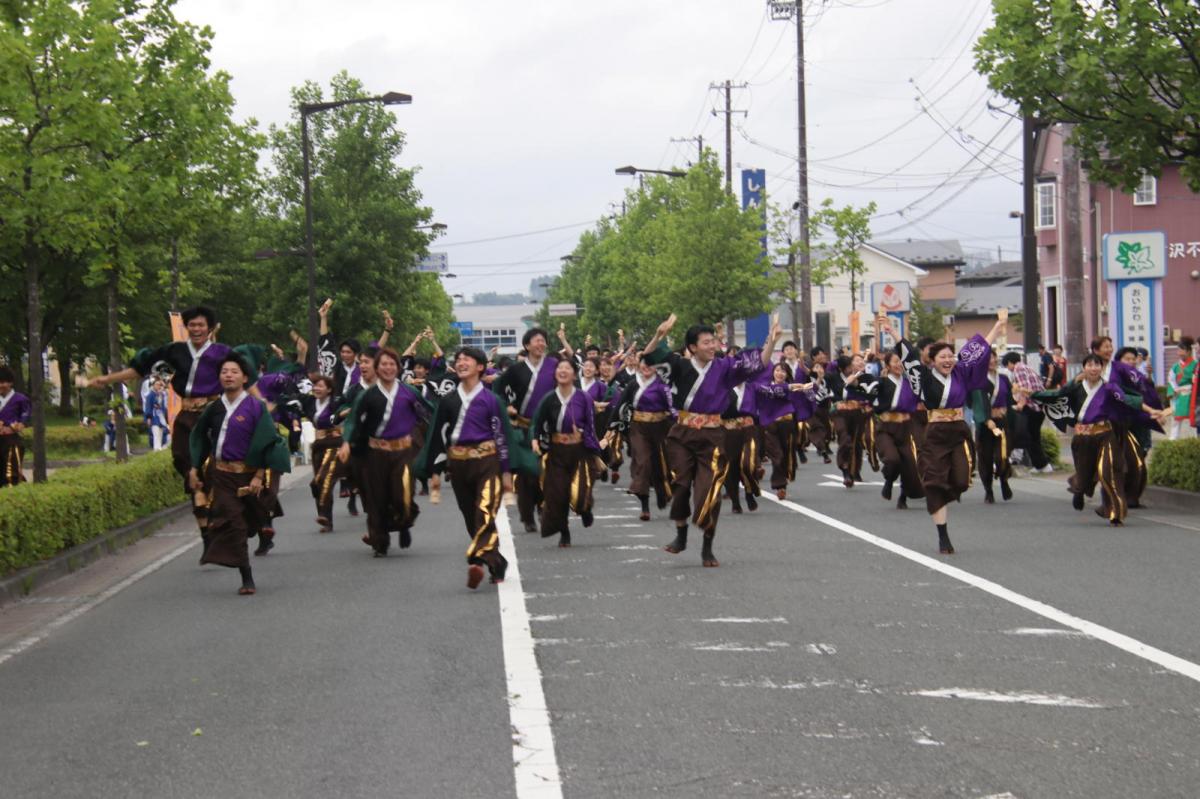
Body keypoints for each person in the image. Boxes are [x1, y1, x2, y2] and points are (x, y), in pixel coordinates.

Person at [642, 314, 782, 567]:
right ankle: (681, 534)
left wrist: (771, 341)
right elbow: (649, 357)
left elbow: (757, 364)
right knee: (681, 484)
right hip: (682, 434)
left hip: (713, 435)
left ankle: (708, 547)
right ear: (692, 347)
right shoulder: (679, 365)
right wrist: (658, 335)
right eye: (705, 342)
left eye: (713, 341)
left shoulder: (724, 367)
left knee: (710, 490)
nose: (711, 345)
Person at [90, 306, 235, 537]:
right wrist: (106, 379)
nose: (196, 329)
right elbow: (140, 369)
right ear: (186, 327)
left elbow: (243, 377)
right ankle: (199, 500)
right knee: (180, 456)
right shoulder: (175, 351)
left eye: (201, 325)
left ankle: (212, 503)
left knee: (213, 461)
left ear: (209, 328)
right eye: (192, 325)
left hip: (213, 414)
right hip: (187, 415)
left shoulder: (223, 352)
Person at [417, 347, 531, 590]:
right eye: (458, 360)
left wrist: (507, 471)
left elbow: (503, 436)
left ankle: (476, 558)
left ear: (480, 367)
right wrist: (434, 471)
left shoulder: (492, 400)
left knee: (484, 509)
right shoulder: (447, 401)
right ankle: (496, 561)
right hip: (458, 464)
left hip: (487, 462)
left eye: (466, 359)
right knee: (471, 517)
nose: (461, 363)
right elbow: (437, 436)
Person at [895, 311, 1008, 554]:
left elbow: (979, 348)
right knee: (935, 484)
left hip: (958, 431)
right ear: (933, 361)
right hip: (934, 432)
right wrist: (893, 332)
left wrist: (998, 325)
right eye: (942, 357)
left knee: (961, 477)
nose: (947, 360)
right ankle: (943, 536)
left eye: (950, 356)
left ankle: (949, 492)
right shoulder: (924, 377)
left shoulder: (961, 371)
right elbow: (910, 358)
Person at [1021, 354, 1167, 525]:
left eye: (1097, 364)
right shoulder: (1075, 387)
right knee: (1084, 476)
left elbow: (1130, 400)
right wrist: (1032, 394)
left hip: (1106, 435)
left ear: (1102, 368)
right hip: (1083, 438)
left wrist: (1151, 411)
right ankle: (1079, 489)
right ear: (1084, 368)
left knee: (1110, 471)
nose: (1094, 368)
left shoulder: (1109, 388)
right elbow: (1056, 395)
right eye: (1090, 364)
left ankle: (1115, 512)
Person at [188, 354, 291, 595]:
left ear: (245, 378)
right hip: (222, 475)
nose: (228, 375)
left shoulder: (256, 407)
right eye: (224, 371)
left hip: (249, 475)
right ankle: (246, 575)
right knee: (234, 521)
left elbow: (268, 442)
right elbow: (199, 437)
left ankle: (263, 537)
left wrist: (258, 475)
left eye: (234, 371)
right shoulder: (214, 408)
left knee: (253, 518)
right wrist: (194, 467)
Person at [338, 348, 432, 557]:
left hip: (404, 452)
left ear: (398, 368)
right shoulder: (367, 395)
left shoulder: (409, 392)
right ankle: (380, 542)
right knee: (376, 499)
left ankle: (404, 522)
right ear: (377, 368)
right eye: (383, 364)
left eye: (392, 364)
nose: (388, 368)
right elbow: (353, 421)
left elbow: (429, 412)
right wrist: (346, 443)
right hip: (375, 454)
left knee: (402, 495)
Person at [492, 327, 560, 533]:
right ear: (527, 345)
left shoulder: (554, 366)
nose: (540, 344)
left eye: (543, 341)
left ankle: (543, 507)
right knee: (528, 473)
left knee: (548, 472)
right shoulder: (516, 370)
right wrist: (506, 406)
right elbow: (497, 388)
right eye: (536, 341)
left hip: (548, 428)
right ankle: (527, 515)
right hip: (523, 428)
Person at [530, 359, 604, 547]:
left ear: (573, 373)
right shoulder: (548, 399)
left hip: (579, 451)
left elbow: (590, 425)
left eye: (567, 368)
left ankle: (585, 508)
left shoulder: (583, 397)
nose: (563, 371)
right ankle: (564, 531)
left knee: (579, 495)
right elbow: (536, 423)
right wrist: (535, 439)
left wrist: (595, 451)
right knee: (558, 494)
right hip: (557, 452)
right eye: (559, 368)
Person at [613, 357, 674, 521]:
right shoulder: (633, 384)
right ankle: (645, 506)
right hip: (638, 427)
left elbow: (672, 407)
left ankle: (664, 493)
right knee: (643, 462)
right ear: (639, 366)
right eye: (644, 364)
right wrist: (612, 427)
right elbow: (621, 405)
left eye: (650, 364)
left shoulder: (662, 385)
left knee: (662, 465)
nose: (646, 367)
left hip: (660, 428)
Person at [871, 348, 923, 510]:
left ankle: (903, 495)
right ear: (887, 365)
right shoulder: (882, 382)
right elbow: (869, 395)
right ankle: (888, 480)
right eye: (895, 361)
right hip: (886, 427)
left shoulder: (910, 383)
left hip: (906, 427)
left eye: (901, 361)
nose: (899, 365)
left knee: (909, 463)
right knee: (892, 459)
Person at [753, 361, 810, 500]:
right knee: (777, 456)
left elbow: (803, 400)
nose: (780, 373)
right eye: (777, 370)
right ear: (773, 372)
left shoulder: (792, 388)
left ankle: (783, 481)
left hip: (788, 424)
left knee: (786, 455)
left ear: (787, 374)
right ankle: (780, 485)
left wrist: (808, 388)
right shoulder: (765, 387)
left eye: (783, 371)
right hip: (769, 426)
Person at [825, 352, 878, 488]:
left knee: (856, 442)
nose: (858, 364)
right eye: (854, 362)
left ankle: (854, 471)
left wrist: (857, 384)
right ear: (845, 367)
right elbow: (826, 371)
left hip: (857, 413)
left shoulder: (864, 378)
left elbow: (870, 393)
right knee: (844, 437)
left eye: (862, 361)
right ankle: (844, 467)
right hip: (839, 412)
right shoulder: (834, 377)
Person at [970, 350, 1014, 504]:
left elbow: (1010, 400)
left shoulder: (1004, 378)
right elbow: (973, 404)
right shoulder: (977, 381)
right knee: (986, 458)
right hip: (984, 425)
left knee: (1002, 455)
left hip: (1001, 422)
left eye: (993, 357)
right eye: (987, 359)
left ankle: (1004, 479)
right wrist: (985, 418)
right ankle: (988, 490)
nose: (991, 361)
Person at [304, 375, 346, 532]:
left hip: (334, 444)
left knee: (323, 479)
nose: (317, 388)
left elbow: (348, 408)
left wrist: (344, 415)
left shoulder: (336, 403)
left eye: (321, 386)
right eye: (315, 386)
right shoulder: (309, 402)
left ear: (329, 389)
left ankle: (326, 516)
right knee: (318, 482)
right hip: (318, 446)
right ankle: (325, 517)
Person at [1004, 352, 1051, 473]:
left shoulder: (1018, 369)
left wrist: (1020, 405)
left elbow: (1025, 389)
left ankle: (1042, 465)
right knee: (1034, 437)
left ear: (1010, 362)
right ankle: (1042, 465)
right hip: (1040, 407)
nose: (1008, 368)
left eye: (1007, 365)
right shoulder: (1027, 367)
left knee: (1029, 437)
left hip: (1032, 407)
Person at [0, 366, 31, 487]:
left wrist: (19, 424)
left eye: (3, 382)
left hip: (11, 440)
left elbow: (25, 416)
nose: (0, 385)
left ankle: (15, 498)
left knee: (11, 473)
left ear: (11, 382)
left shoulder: (20, 399)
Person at [805, 347, 835, 464]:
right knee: (817, 428)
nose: (819, 369)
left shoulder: (827, 378)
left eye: (820, 368)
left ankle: (825, 446)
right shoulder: (809, 378)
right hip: (812, 408)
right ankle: (821, 449)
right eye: (816, 367)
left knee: (827, 428)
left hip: (825, 407)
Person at [1168, 336, 1198, 439]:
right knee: (1175, 421)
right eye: (1178, 350)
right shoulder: (1175, 366)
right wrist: (1174, 390)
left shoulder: (1196, 365)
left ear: (1189, 351)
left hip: (1191, 395)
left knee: (1193, 419)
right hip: (1178, 396)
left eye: (1182, 350)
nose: (1179, 352)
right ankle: (1173, 441)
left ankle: (1192, 442)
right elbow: (1171, 380)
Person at [144, 378, 171, 451]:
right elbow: (148, 406)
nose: (159, 386)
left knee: (161, 432)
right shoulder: (150, 395)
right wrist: (148, 417)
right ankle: (156, 448)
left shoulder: (161, 395)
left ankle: (160, 447)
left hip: (161, 416)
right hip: (154, 416)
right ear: (153, 385)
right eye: (157, 384)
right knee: (156, 432)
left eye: (160, 385)